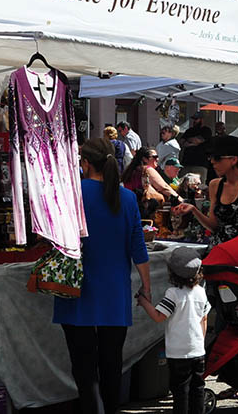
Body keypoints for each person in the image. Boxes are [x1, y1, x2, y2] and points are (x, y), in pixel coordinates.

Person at [53, 138, 151, 414]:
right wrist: (146, 286)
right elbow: (138, 247)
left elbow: (54, 237)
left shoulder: (72, 193)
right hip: (114, 291)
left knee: (84, 367)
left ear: (84, 163)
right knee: (111, 364)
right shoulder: (128, 198)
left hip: (77, 287)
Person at [137, 248, 210, 414]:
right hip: (197, 351)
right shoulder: (201, 292)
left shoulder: (173, 294)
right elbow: (203, 319)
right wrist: (200, 342)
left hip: (178, 353)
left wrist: (144, 302)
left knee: (180, 391)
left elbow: (158, 316)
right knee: (197, 388)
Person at [122, 147, 180, 215]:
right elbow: (164, 187)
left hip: (129, 208)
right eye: (155, 157)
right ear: (145, 159)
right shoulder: (147, 169)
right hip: (144, 210)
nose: (157, 159)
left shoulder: (131, 171)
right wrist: (181, 200)